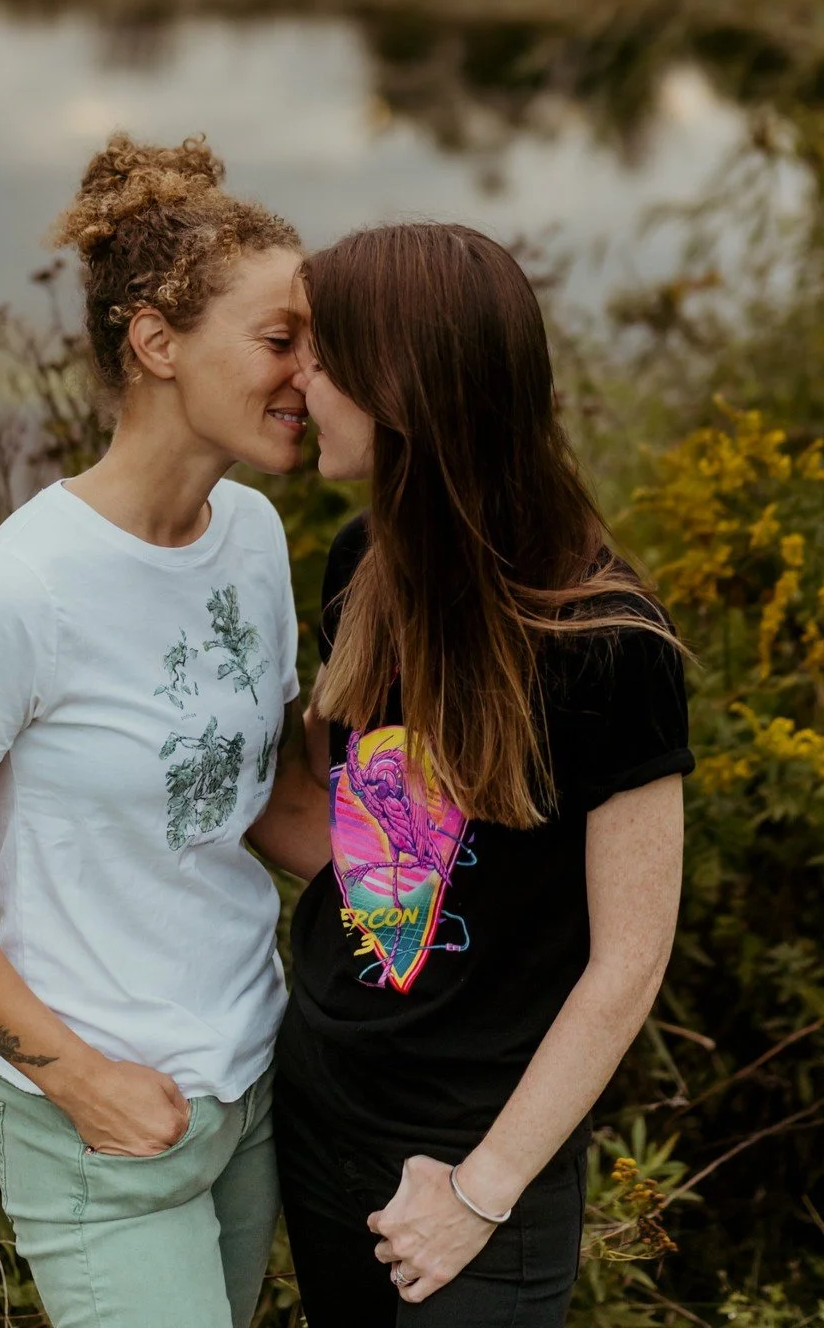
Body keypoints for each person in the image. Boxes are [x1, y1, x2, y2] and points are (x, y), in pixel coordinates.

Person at [0, 135, 329, 1328]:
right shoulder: (21, 591)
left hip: (251, 1080)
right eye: (282, 340)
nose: (312, 374)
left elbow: (261, 797)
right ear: (157, 340)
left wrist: (446, 905)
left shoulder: (257, 540)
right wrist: (77, 1080)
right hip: (101, 1124)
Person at [276, 222, 693, 1327]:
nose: (298, 375)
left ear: (400, 385)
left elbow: (628, 966)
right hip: (321, 1103)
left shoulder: (607, 640)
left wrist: (478, 1193)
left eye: (322, 351)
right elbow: (376, 847)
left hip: (480, 1153)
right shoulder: (358, 568)